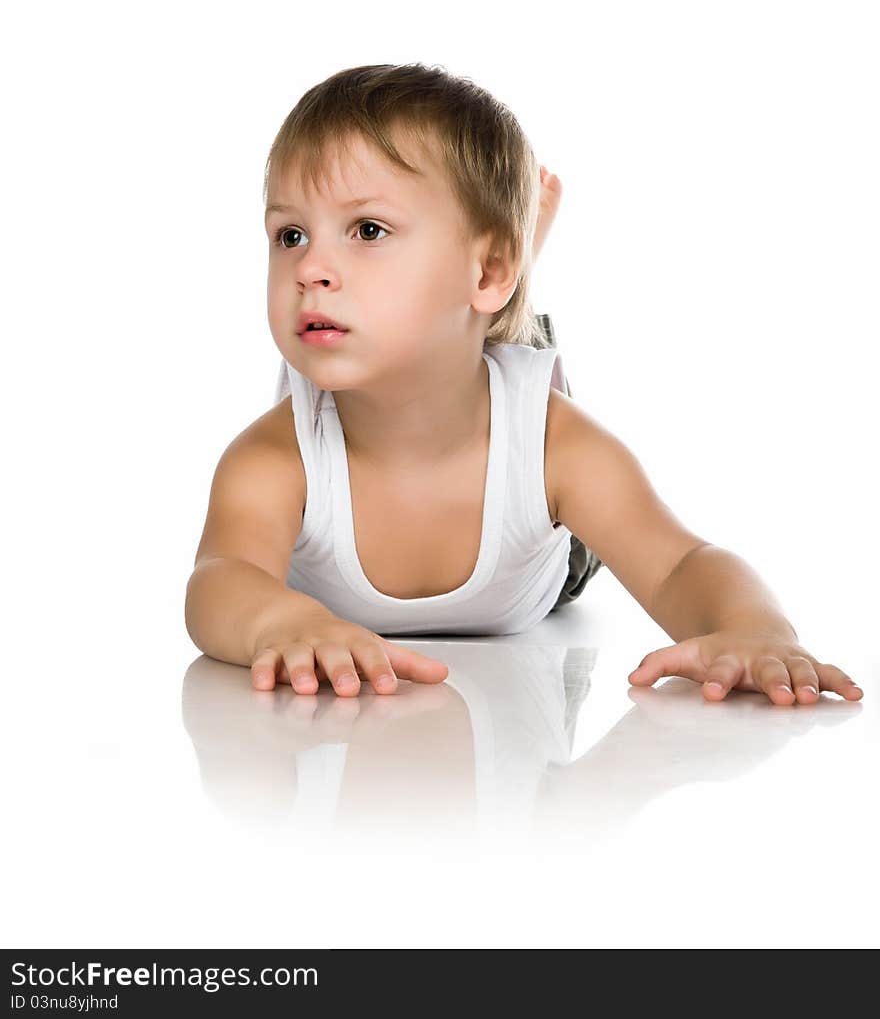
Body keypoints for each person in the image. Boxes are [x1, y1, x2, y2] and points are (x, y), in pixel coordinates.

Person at [184, 62, 863, 709]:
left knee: (508, 348)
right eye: (290, 234)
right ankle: (493, 272)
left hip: (541, 561)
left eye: (367, 229)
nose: (310, 268)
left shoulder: (552, 443)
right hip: (455, 318)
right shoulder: (275, 456)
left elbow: (681, 561)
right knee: (447, 332)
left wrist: (754, 630)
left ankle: (506, 278)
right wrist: (279, 621)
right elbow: (220, 580)